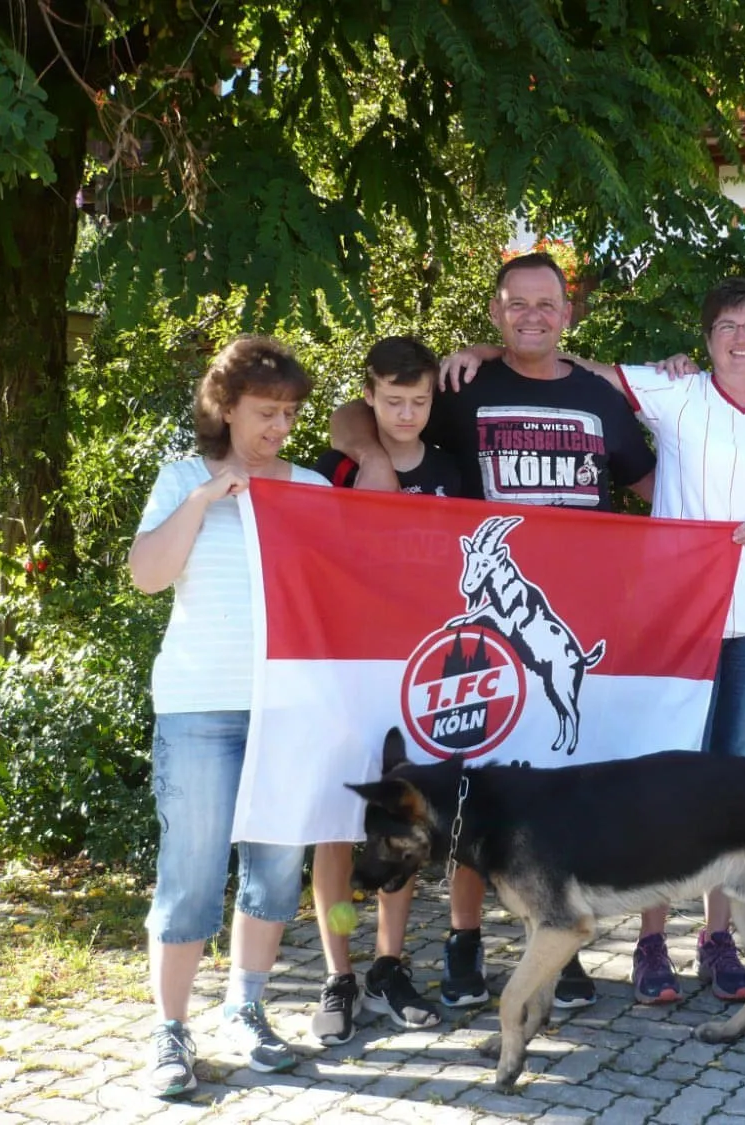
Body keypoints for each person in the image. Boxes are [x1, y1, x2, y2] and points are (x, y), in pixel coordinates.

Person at [441, 277, 745, 1005]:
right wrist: (486, 348)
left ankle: (718, 938)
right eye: (727, 325)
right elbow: (567, 360)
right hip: (676, 616)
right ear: (707, 339)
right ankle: (652, 941)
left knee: (734, 782)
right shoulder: (674, 392)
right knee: (667, 774)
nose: (741, 337)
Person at [328, 252, 656, 1011]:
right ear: (496, 312)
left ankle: (561, 943)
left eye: (546, 303)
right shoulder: (461, 386)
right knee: (473, 782)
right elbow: (357, 412)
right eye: (517, 303)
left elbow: (655, 485)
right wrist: (371, 455)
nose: (532, 316)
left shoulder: (599, 398)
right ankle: (465, 943)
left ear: (567, 312)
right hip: (477, 631)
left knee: (563, 795)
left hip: (572, 621)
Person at [128, 336, 329, 1098]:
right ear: (225, 406)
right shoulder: (183, 478)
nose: (279, 426)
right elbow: (147, 575)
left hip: (289, 709)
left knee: (274, 869)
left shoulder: (311, 487)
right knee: (191, 871)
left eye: (289, 413)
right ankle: (170, 1029)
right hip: (199, 706)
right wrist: (205, 499)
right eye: (265, 411)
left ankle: (245, 1008)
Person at [306, 336, 463, 1047]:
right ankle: (337, 973)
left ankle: (390, 966)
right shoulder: (331, 467)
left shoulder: (453, 469)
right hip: (342, 662)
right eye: (392, 400)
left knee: (401, 817)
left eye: (418, 401)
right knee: (337, 822)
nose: (406, 413)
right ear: (367, 396)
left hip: (421, 664)